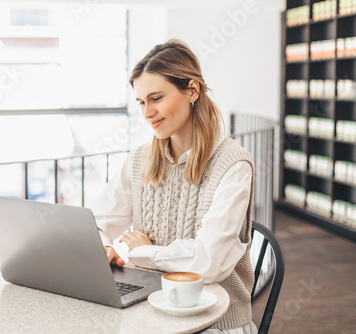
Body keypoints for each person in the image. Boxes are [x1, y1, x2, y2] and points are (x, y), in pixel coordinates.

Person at [89, 39, 257, 333]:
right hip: (150, 310)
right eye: (142, 102)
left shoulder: (233, 164)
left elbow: (209, 263)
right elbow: (97, 219)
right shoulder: (141, 159)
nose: (146, 113)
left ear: (191, 90)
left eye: (156, 98)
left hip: (213, 322)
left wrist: (146, 252)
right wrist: (103, 246)